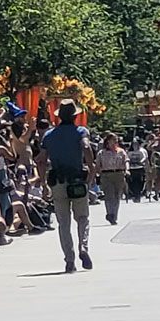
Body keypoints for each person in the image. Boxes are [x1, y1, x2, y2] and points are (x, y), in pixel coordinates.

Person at [40, 99, 95, 273]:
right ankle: (83, 247)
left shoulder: (48, 135)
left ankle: (69, 259)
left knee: (63, 222)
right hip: (77, 180)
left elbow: (41, 160)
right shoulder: (80, 131)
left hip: (57, 181)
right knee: (83, 218)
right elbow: (86, 147)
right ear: (75, 116)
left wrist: (43, 183)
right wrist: (91, 169)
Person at [95, 132, 128, 225]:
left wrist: (127, 169)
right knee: (109, 196)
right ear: (108, 141)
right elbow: (97, 165)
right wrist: (96, 174)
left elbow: (126, 160)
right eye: (113, 140)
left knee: (117, 196)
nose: (115, 142)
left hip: (118, 173)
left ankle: (114, 216)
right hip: (106, 175)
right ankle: (110, 213)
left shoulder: (121, 151)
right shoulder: (101, 153)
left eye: (116, 140)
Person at [126, 138, 147, 202]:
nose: (135, 145)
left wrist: (141, 161)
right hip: (132, 168)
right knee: (132, 183)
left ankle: (138, 195)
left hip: (140, 168)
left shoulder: (142, 151)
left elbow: (144, 157)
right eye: (134, 144)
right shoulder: (129, 152)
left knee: (140, 182)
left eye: (136, 144)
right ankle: (134, 195)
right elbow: (127, 158)